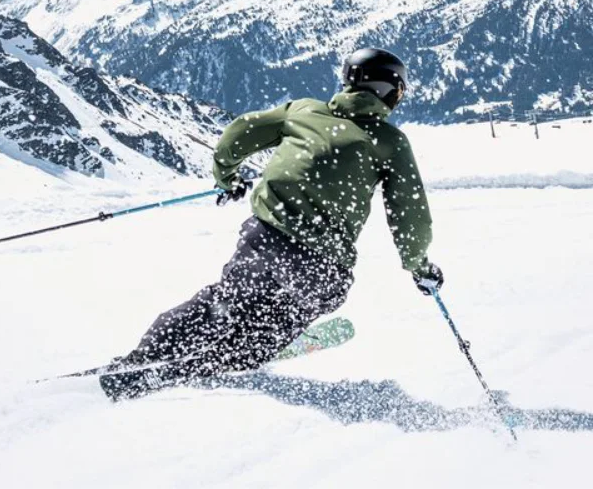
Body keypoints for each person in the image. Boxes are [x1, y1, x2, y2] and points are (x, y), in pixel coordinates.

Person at [100, 47, 443, 401]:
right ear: (388, 90)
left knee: (224, 303)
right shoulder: (390, 143)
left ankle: (141, 362)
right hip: (321, 268)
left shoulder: (304, 111)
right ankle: (230, 355)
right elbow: (410, 214)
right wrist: (418, 265)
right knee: (268, 328)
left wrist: (226, 177)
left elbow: (240, 131)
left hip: (266, 241)